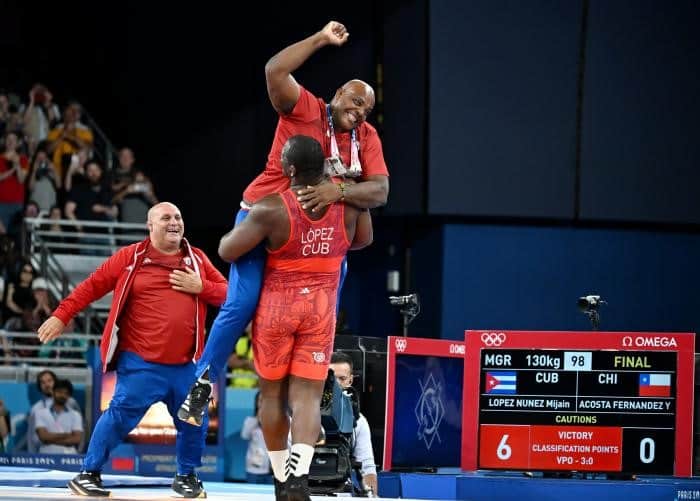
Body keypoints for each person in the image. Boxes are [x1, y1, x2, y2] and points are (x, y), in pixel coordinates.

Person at [178, 19, 389, 430]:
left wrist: (339, 193)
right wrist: (321, 39)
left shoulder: (366, 137)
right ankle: (203, 381)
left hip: (316, 231)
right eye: (355, 98)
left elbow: (380, 192)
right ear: (338, 94)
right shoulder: (306, 108)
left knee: (327, 303)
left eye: (367, 106)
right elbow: (274, 70)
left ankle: (317, 373)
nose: (360, 109)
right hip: (268, 216)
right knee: (242, 302)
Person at [216, 135, 372, 500]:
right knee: (307, 397)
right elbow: (362, 240)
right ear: (323, 166)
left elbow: (227, 249)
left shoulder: (272, 208)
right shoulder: (347, 204)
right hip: (320, 308)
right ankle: (300, 479)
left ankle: (281, 479)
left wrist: (247, 213)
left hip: (277, 310)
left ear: (288, 170)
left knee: (270, 397)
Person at [36, 202, 227, 498]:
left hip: (187, 365)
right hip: (141, 363)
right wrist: (62, 315)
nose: (174, 222)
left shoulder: (197, 259)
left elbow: (230, 295)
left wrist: (201, 286)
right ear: (150, 226)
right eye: (166, 218)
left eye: (178, 216)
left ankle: (186, 477)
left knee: (195, 420)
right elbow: (92, 286)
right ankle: (88, 474)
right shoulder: (131, 257)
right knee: (117, 417)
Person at [329, 351, 377, 495]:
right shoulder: (301, 417)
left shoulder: (359, 421)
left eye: (342, 379)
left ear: (350, 380)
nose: (336, 385)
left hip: (342, 495)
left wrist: (371, 496)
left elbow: (367, 468)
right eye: (331, 378)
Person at [27, 369, 82, 453]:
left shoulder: (71, 403)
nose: (47, 385)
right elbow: (33, 436)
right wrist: (67, 435)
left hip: (70, 454)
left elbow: (78, 435)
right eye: (43, 382)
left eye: (49, 381)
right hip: (44, 453)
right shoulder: (36, 408)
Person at [241, 391, 273, 484]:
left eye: (265, 401)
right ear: (256, 403)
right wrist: (258, 418)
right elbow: (244, 435)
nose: (263, 403)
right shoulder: (250, 421)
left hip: (271, 469)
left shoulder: (275, 422)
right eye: (260, 401)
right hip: (254, 469)